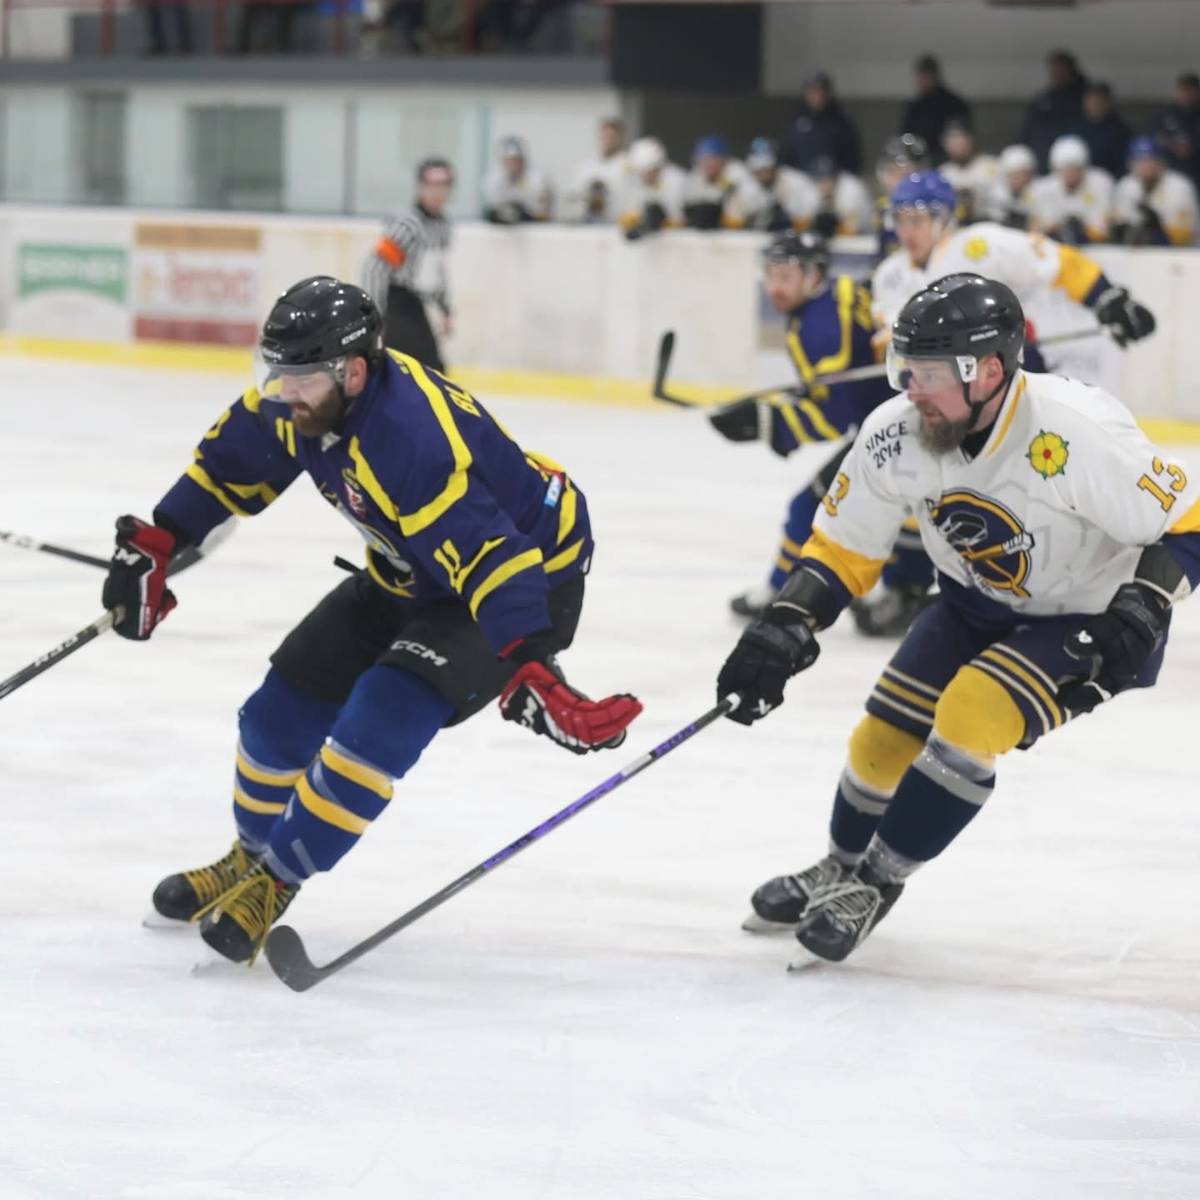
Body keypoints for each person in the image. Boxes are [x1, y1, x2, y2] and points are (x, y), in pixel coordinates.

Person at [104, 277, 642, 964]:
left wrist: (529, 660)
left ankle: (276, 880)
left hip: (519, 582)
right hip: (408, 570)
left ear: (353, 372)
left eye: (300, 379)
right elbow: (230, 467)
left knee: (379, 720)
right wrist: (161, 539)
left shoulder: (410, 439)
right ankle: (251, 856)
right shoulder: (304, 397)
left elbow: (489, 555)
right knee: (275, 715)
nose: (283, 392)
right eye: (277, 373)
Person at [717, 273, 1200, 965]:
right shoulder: (897, 432)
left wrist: (1146, 605)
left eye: (930, 373)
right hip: (974, 603)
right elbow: (843, 547)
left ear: (990, 371)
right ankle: (840, 866)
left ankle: (876, 882)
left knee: (971, 714)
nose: (910, 389)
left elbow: (1188, 519)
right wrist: (786, 621)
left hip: (1088, 618)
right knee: (882, 736)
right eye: (905, 368)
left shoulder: (1074, 431)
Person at [863, 170, 1156, 636]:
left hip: (1006, 382)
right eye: (901, 219)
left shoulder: (981, 245)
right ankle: (914, 586)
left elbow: (1057, 262)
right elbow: (890, 343)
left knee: (1020, 484)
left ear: (944, 220)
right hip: (942, 394)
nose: (908, 230)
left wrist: (1108, 300)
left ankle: (1052, 576)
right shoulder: (890, 275)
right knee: (928, 484)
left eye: (918, 219)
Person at [711, 232, 891, 618]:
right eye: (771, 275)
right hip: (887, 422)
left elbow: (835, 418)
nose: (775, 287)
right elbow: (833, 396)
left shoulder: (820, 328)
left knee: (810, 506)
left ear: (814, 276)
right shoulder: (833, 298)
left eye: (786, 277)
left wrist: (768, 422)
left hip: (892, 430)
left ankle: (786, 591)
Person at [362, 156, 454, 372]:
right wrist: (376, 314)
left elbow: (436, 271)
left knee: (426, 367)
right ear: (420, 188)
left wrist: (445, 308)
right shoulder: (409, 224)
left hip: (415, 303)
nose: (438, 193)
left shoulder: (442, 226)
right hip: (395, 301)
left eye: (443, 187)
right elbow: (375, 268)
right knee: (425, 367)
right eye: (432, 186)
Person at [1113, 135, 1199, 247]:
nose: (1145, 166)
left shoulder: (1179, 186)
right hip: (1139, 253)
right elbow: (1119, 229)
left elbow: (1183, 238)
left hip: (1183, 253)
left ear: (1161, 161)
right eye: (1139, 160)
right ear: (1130, 164)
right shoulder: (1126, 186)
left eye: (1150, 160)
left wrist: (1158, 229)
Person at [1029, 135, 1114, 245]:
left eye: (1075, 168)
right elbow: (1038, 228)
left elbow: (1103, 229)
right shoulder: (1043, 188)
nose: (1071, 174)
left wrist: (1083, 228)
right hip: (1055, 246)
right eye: (1066, 169)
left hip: (1092, 247)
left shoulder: (1100, 183)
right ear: (1056, 169)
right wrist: (1058, 227)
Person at [729, 138, 819, 232]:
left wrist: (789, 215)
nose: (763, 173)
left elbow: (811, 217)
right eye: (758, 169)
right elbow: (732, 223)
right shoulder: (744, 186)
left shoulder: (797, 182)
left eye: (766, 168)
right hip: (756, 236)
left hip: (793, 234)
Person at [780, 72, 862, 176]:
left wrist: (835, 177)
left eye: (821, 91)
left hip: (835, 179)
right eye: (812, 92)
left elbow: (854, 159)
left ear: (828, 93)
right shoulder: (796, 122)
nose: (817, 96)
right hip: (803, 178)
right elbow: (786, 158)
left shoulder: (842, 122)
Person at [1020, 49, 1089, 171]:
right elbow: (1026, 132)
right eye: (1053, 70)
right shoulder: (1043, 99)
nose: (1056, 74)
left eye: (1061, 70)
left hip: (1071, 164)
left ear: (1071, 71)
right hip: (1040, 164)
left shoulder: (1084, 98)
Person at [898, 55, 971, 161]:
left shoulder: (954, 104)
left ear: (935, 77)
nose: (924, 81)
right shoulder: (914, 107)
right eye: (922, 77)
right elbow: (905, 137)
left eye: (927, 77)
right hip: (919, 160)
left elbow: (962, 137)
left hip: (948, 160)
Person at [874, 133, 931, 257]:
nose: (901, 182)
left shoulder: (930, 209)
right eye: (895, 174)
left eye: (907, 175)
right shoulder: (883, 208)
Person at [618, 137, 686, 241]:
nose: (641, 176)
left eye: (643, 172)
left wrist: (664, 221)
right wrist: (635, 221)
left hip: (678, 242)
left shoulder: (677, 180)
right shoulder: (639, 182)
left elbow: (680, 219)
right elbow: (629, 213)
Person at [567, 117, 629, 224]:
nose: (608, 141)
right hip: (588, 225)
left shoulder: (628, 165)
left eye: (612, 137)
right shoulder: (586, 166)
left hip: (616, 224)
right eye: (605, 136)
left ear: (620, 138)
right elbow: (573, 196)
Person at [681, 135, 748, 230]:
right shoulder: (695, 176)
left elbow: (741, 213)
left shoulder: (737, 174)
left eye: (713, 159)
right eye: (704, 159)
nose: (708, 164)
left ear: (724, 160)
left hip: (740, 229)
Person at [938, 122, 998, 226]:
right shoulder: (943, 172)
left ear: (970, 141)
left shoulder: (990, 165)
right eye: (953, 143)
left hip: (987, 222)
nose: (958, 147)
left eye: (961, 141)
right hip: (954, 225)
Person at [483, 135, 552, 224]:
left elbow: (541, 212)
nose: (513, 165)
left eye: (516, 160)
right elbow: (494, 205)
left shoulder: (536, 179)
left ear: (523, 160)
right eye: (509, 161)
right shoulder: (494, 179)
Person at [1078, 82, 1133, 182]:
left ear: (1108, 102)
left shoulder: (1121, 131)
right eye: (1089, 102)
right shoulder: (1077, 128)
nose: (1093, 106)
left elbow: (1124, 165)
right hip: (1079, 180)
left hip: (1110, 181)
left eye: (1097, 102)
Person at [1155, 72, 1200, 188]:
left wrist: (1189, 148)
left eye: (1189, 91)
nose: (1185, 95)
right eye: (1182, 90)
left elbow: (1189, 148)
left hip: (1195, 172)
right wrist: (1172, 144)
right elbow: (1154, 138)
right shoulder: (1164, 114)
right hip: (1169, 173)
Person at [810, 156, 873, 238]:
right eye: (820, 180)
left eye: (828, 179)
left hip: (866, 236)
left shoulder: (851, 189)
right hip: (846, 237)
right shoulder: (816, 188)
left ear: (836, 177)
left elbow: (851, 229)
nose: (825, 184)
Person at [986, 144, 1038, 230]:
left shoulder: (1038, 192)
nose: (1019, 178)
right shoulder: (996, 195)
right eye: (1014, 174)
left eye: (1023, 174)